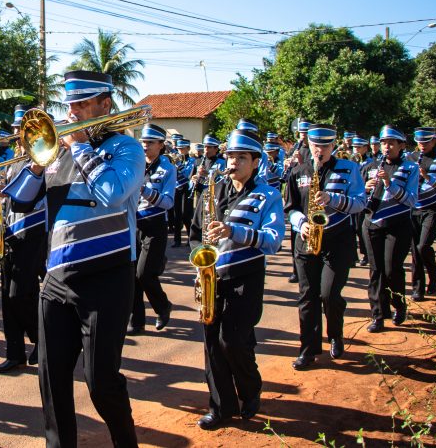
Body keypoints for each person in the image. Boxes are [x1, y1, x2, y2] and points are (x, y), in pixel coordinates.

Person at [0, 71, 143, 447]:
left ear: (104, 105)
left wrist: (80, 148)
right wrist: (35, 162)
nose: (73, 111)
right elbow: (19, 200)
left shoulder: (127, 149)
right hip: (58, 277)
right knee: (51, 378)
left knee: (101, 382)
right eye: (70, 104)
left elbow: (112, 191)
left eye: (82, 104)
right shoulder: (57, 154)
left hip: (107, 276)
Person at [188, 128, 284, 430]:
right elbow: (194, 234)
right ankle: (220, 407)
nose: (233, 162)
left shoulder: (268, 194)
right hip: (213, 278)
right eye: (230, 156)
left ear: (255, 162)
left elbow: (274, 240)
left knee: (232, 341)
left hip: (246, 276)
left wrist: (234, 232)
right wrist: (201, 263)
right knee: (211, 345)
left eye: (241, 157)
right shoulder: (211, 192)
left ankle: (251, 387)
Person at [283, 124, 365, 369]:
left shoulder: (349, 169)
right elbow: (290, 207)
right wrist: (300, 224)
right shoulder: (299, 171)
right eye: (316, 145)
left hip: (338, 240)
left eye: (325, 146)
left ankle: (336, 335)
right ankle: (307, 349)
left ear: (333, 146)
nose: (320, 150)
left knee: (329, 294)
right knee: (307, 297)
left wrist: (333, 199)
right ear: (309, 145)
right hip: (306, 240)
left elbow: (361, 203)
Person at [0, 105, 46, 373]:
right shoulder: (14, 159)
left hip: (34, 230)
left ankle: (41, 339)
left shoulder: (44, 159)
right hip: (10, 232)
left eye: (22, 130)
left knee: (21, 294)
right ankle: (14, 351)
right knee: (6, 295)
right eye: (16, 130)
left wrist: (6, 193)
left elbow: (28, 197)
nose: (18, 135)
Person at [362, 126, 418, 332]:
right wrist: (365, 188)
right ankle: (378, 314)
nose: (386, 147)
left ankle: (399, 305)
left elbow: (412, 200)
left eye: (391, 143)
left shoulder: (410, 168)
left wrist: (388, 184)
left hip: (398, 224)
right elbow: (359, 197)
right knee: (376, 271)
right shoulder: (370, 166)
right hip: (372, 223)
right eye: (383, 143)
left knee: (392, 268)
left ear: (401, 146)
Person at [128, 123, 176, 336]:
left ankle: (163, 306)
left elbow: (168, 202)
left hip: (155, 225)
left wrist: (145, 191)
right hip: (135, 224)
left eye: (149, 143)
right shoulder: (137, 164)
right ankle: (136, 321)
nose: (145, 146)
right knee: (132, 276)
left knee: (144, 274)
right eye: (143, 142)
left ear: (160, 145)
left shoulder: (168, 168)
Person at [407, 127, 436, 300]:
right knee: (415, 249)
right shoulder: (409, 158)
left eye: (426, 141)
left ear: (434, 141)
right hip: (413, 208)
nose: (423, 145)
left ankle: (434, 274)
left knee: (423, 246)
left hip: (433, 207)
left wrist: (427, 177)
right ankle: (417, 288)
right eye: (420, 142)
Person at [284, 119, 313, 283]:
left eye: (305, 133)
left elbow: (311, 168)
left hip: (307, 188)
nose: (302, 136)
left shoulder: (313, 149)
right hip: (293, 186)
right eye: (301, 133)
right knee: (294, 236)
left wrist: (300, 163)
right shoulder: (295, 148)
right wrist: (288, 164)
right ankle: (296, 270)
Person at [352, 137, 374, 267]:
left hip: (363, 199)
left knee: (361, 228)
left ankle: (366, 254)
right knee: (351, 228)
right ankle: (352, 256)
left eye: (359, 147)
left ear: (366, 148)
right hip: (350, 198)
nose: (356, 150)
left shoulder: (370, 164)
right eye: (355, 147)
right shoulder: (350, 162)